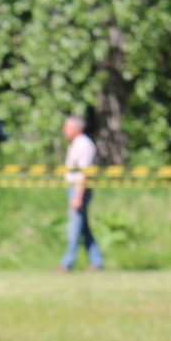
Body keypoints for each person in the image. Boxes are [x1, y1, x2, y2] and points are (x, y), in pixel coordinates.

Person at [56, 115, 105, 272]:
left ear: (77, 129)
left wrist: (78, 196)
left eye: (67, 127)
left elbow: (85, 172)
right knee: (83, 227)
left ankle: (67, 263)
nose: (64, 130)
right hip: (74, 188)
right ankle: (97, 261)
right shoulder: (76, 144)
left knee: (74, 228)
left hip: (79, 188)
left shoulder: (83, 144)